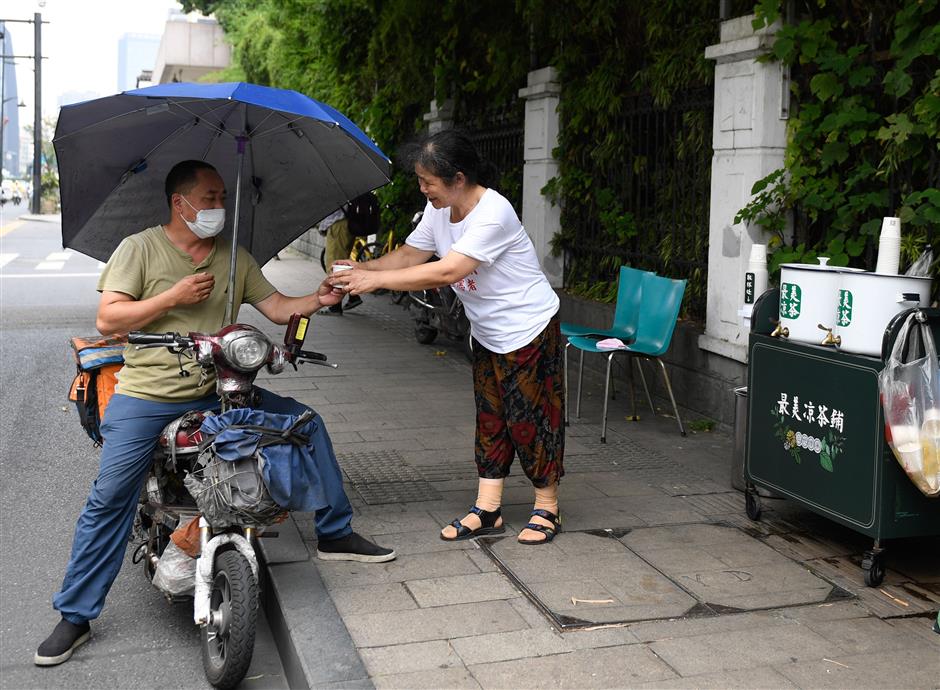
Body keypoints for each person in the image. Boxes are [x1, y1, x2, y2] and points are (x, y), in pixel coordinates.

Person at [35, 160, 394, 668]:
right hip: (148, 395)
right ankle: (75, 615)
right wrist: (173, 296)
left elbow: (275, 307)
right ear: (179, 203)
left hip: (219, 389)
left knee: (303, 425)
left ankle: (335, 531)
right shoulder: (139, 248)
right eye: (209, 198)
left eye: (223, 197)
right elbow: (108, 317)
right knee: (110, 496)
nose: (219, 207)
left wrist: (319, 297)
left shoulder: (232, 257)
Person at [328, 130, 564, 546]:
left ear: (458, 178)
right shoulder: (440, 208)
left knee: (529, 417)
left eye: (427, 182)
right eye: (420, 180)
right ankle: (488, 509)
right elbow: (411, 255)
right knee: (490, 417)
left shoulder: (494, 212)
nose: (422, 189)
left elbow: (446, 271)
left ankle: (547, 506)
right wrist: (362, 268)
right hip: (488, 332)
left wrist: (373, 281)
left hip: (527, 327)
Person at [321, 208, 363, 314]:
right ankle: (352, 296)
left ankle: (336, 305)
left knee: (335, 265)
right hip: (344, 223)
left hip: (338, 223)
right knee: (341, 263)